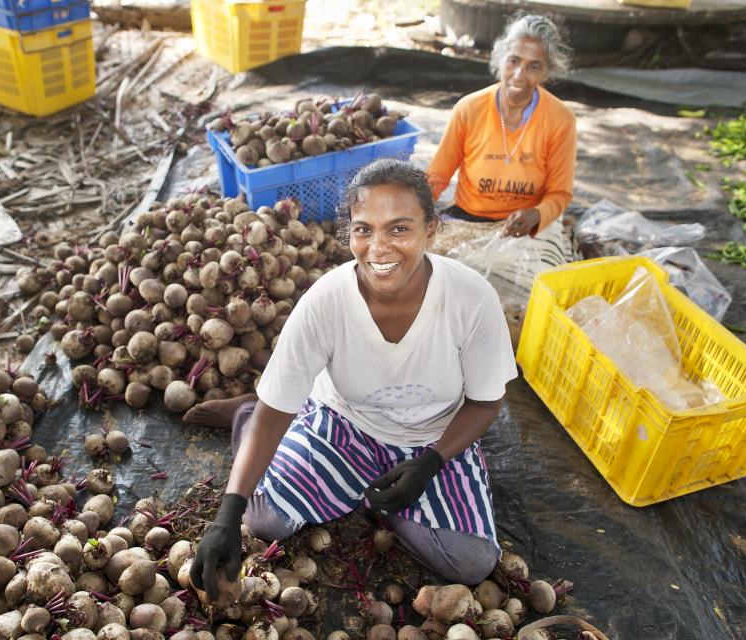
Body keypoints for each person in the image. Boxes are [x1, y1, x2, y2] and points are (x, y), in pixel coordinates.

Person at [186, 159, 518, 599]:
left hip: (435, 435)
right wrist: (227, 515)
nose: (379, 248)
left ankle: (383, 500)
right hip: (346, 423)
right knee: (263, 520)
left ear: (431, 231)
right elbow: (274, 414)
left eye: (399, 229)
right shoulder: (326, 302)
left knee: (472, 561)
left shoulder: (471, 299)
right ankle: (242, 414)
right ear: (349, 234)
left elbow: (484, 403)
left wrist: (431, 464)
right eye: (364, 230)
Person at [427, 12, 577, 256]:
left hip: (525, 227)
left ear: (547, 72)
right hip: (468, 221)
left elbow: (559, 193)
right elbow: (437, 176)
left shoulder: (561, 120)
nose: (519, 75)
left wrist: (537, 215)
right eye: (514, 61)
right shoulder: (469, 109)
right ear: (500, 59)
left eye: (534, 66)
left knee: (537, 283)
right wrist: (410, 209)